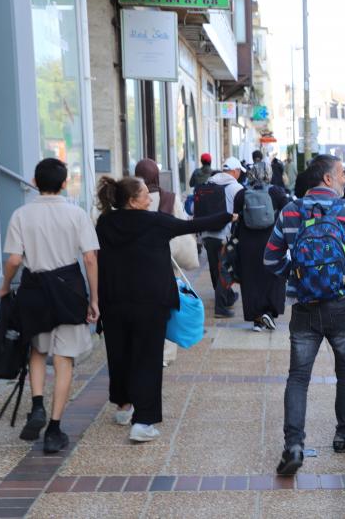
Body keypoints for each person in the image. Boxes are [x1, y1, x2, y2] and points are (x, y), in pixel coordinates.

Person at [264, 154, 345, 475]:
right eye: (343, 174)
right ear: (328, 179)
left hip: (304, 307)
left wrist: (296, 275)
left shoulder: (290, 211)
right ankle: (344, 434)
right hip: (343, 305)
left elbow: (271, 259)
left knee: (298, 377)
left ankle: (293, 445)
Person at [95, 176, 235, 442]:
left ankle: (123, 407)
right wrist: (229, 216)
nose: (150, 198)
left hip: (114, 301)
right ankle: (143, 421)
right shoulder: (154, 221)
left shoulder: (105, 223)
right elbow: (193, 225)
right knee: (147, 358)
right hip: (150, 301)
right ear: (133, 201)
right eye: (145, 194)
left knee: (119, 354)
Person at [0, 158, 99, 453]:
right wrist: (94, 298)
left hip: (35, 288)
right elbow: (90, 258)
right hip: (68, 287)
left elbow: (15, 259)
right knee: (64, 358)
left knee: (38, 351)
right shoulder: (76, 214)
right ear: (65, 183)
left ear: (34, 181)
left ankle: (38, 404)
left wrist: (5, 286)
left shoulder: (21, 214)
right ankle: (55, 429)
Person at [135, 158, 198, 367]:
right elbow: (181, 226)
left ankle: (144, 347)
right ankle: (165, 353)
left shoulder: (130, 198)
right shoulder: (170, 198)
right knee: (169, 304)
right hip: (166, 262)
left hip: (139, 264)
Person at [234, 164, 291, 331]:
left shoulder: (242, 193)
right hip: (272, 241)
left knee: (251, 280)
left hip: (247, 243)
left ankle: (257, 319)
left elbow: (235, 216)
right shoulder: (277, 192)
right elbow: (287, 212)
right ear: (269, 174)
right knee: (273, 277)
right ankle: (270, 312)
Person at [200, 157, 244, 318]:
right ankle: (221, 306)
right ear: (234, 171)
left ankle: (228, 296)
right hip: (224, 234)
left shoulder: (208, 183)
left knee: (214, 268)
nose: (239, 174)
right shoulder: (236, 187)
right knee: (225, 270)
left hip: (206, 233)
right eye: (239, 171)